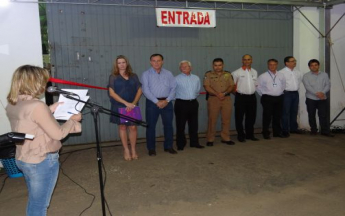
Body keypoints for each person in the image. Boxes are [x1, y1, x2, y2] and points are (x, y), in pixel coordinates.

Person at [6, 65, 82, 216]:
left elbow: (30, 122)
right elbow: (58, 134)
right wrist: (72, 120)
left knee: (34, 201)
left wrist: (49, 109)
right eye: (42, 81)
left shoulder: (13, 104)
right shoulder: (37, 106)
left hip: (24, 157)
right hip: (41, 161)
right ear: (34, 82)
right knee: (39, 206)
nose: (44, 84)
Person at [141, 54, 177, 156]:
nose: (156, 63)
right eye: (154, 60)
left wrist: (167, 100)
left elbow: (173, 88)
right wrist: (157, 101)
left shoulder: (169, 73)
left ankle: (169, 146)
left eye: (158, 60)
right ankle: (151, 148)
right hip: (152, 103)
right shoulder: (146, 74)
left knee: (168, 125)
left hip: (167, 103)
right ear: (150, 62)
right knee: (151, 126)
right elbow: (145, 90)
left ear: (162, 61)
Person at [108, 55, 142, 161]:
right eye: (119, 63)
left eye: (123, 62)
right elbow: (112, 93)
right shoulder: (113, 76)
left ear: (127, 63)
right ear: (116, 64)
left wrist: (133, 103)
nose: (122, 64)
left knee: (133, 127)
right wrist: (126, 103)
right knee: (122, 127)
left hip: (132, 105)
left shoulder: (134, 76)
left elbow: (139, 90)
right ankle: (126, 149)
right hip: (119, 105)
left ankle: (133, 149)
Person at [203, 58, 235, 146]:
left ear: (223, 65)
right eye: (215, 65)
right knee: (212, 120)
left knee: (226, 119)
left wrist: (224, 93)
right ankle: (210, 139)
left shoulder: (228, 74)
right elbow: (206, 86)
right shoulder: (208, 74)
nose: (217, 67)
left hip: (226, 99)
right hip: (213, 99)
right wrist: (217, 94)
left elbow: (231, 86)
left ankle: (226, 138)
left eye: (219, 65)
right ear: (213, 66)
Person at [174, 60, 204, 151]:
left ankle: (194, 143)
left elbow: (198, 90)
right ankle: (180, 144)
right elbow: (172, 91)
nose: (184, 68)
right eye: (182, 67)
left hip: (193, 103)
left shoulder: (196, 78)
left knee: (194, 124)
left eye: (186, 66)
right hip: (181, 103)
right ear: (180, 68)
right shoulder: (176, 79)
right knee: (180, 125)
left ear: (190, 68)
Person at [302, 59, 334, 137]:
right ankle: (313, 130)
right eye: (312, 65)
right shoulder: (306, 76)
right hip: (311, 98)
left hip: (322, 98)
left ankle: (325, 131)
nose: (314, 67)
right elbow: (307, 87)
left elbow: (328, 85)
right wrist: (317, 94)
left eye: (316, 65)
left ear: (319, 66)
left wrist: (322, 93)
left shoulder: (324, 74)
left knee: (323, 115)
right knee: (311, 115)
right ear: (309, 67)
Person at [231, 54, 259, 142]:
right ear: (242, 61)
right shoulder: (236, 73)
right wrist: (239, 95)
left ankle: (250, 135)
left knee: (251, 117)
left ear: (252, 60)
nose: (247, 61)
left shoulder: (254, 72)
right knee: (239, 117)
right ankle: (240, 135)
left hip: (252, 97)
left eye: (249, 59)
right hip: (241, 97)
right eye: (245, 60)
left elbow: (256, 84)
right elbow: (232, 87)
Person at [256, 59, 286, 139]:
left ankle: (277, 132)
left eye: (274, 64)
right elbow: (258, 87)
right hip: (267, 98)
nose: (272, 66)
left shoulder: (281, 75)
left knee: (277, 116)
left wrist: (279, 92)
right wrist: (264, 94)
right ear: (268, 65)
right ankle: (265, 132)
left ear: (277, 65)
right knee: (267, 116)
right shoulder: (263, 76)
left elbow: (283, 85)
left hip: (279, 98)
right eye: (270, 64)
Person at [279, 56, 303, 137]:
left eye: (294, 61)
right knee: (285, 112)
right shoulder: (281, 73)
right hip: (286, 94)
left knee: (294, 111)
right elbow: (280, 85)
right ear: (287, 63)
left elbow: (299, 81)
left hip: (295, 93)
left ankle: (293, 128)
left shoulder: (297, 72)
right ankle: (285, 130)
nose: (294, 62)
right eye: (292, 61)